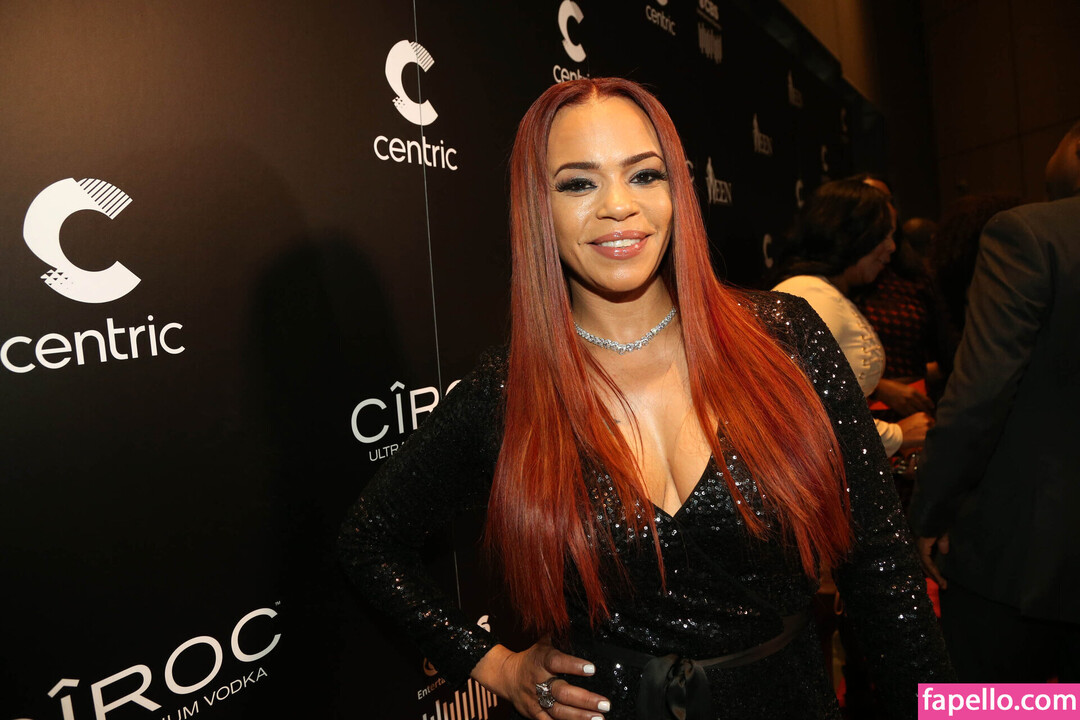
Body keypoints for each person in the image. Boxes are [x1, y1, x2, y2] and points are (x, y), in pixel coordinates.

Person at [340, 78, 950, 719]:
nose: (618, 207)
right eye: (578, 183)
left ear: (676, 189)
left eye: (644, 175)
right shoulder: (509, 391)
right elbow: (369, 540)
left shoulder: (785, 338)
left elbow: (884, 575)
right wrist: (497, 666)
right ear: (536, 206)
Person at [909, 122, 1080, 682]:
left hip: (1022, 555)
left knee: (981, 707)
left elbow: (979, 395)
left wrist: (930, 510)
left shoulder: (1028, 233)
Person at [771, 179, 935, 457]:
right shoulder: (810, 295)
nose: (892, 247)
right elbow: (795, 412)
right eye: (884, 235)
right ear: (853, 235)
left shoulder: (821, 291)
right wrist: (895, 434)